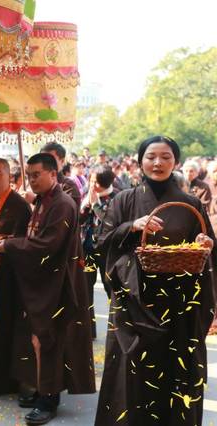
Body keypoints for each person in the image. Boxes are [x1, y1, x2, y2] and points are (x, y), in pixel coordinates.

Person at [94, 136, 215, 425]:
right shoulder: (124, 200)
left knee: (176, 375)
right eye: (151, 156)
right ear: (140, 161)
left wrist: (204, 242)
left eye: (165, 157)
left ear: (176, 162)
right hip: (134, 303)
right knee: (132, 376)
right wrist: (131, 227)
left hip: (179, 305)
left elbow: (206, 249)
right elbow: (102, 244)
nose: (158, 163)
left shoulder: (191, 204)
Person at [0, 153, 95, 425]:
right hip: (43, 279)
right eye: (29, 175)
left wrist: (11, 245)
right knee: (37, 338)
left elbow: (47, 244)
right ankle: (40, 389)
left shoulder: (61, 204)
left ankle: (48, 400)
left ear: (53, 173)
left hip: (58, 282)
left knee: (48, 340)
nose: (32, 180)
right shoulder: (43, 201)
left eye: (37, 175)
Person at [0, 158, 32, 395]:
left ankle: (1, 378)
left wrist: (3, 243)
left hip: (7, 275)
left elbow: (22, 240)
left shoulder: (19, 205)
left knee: (3, 325)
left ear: (9, 176)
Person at [80, 165, 119, 337]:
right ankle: (89, 331)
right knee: (86, 292)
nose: (91, 183)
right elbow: (79, 220)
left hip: (107, 252)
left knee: (111, 289)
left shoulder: (116, 197)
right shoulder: (86, 195)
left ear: (104, 183)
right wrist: (85, 206)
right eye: (91, 180)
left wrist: (95, 204)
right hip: (87, 249)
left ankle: (117, 329)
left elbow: (108, 220)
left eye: (94, 181)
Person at [39, 142, 82, 207]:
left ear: (62, 161)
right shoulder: (40, 182)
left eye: (50, 160)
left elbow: (64, 210)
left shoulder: (68, 186)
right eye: (43, 160)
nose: (46, 164)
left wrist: (34, 200)